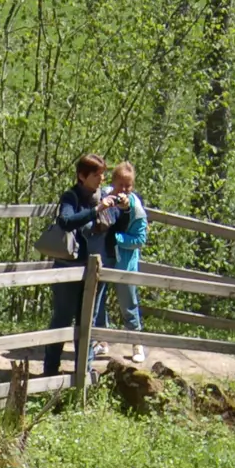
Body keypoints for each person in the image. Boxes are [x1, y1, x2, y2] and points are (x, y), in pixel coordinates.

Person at [43, 154, 124, 377]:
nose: (101, 179)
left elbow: (118, 225)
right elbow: (66, 221)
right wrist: (96, 209)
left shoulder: (105, 196)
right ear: (82, 176)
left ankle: (83, 370)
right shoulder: (71, 196)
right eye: (96, 175)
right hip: (68, 267)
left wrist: (123, 208)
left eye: (102, 174)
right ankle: (50, 370)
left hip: (93, 268)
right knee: (62, 316)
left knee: (87, 319)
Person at [103, 161, 150, 364]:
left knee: (128, 304)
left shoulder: (136, 209)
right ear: (113, 182)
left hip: (125, 264)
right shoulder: (103, 197)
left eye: (128, 185)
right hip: (103, 259)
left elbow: (140, 240)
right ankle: (101, 340)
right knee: (98, 301)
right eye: (120, 184)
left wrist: (118, 239)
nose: (123, 189)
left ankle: (136, 342)